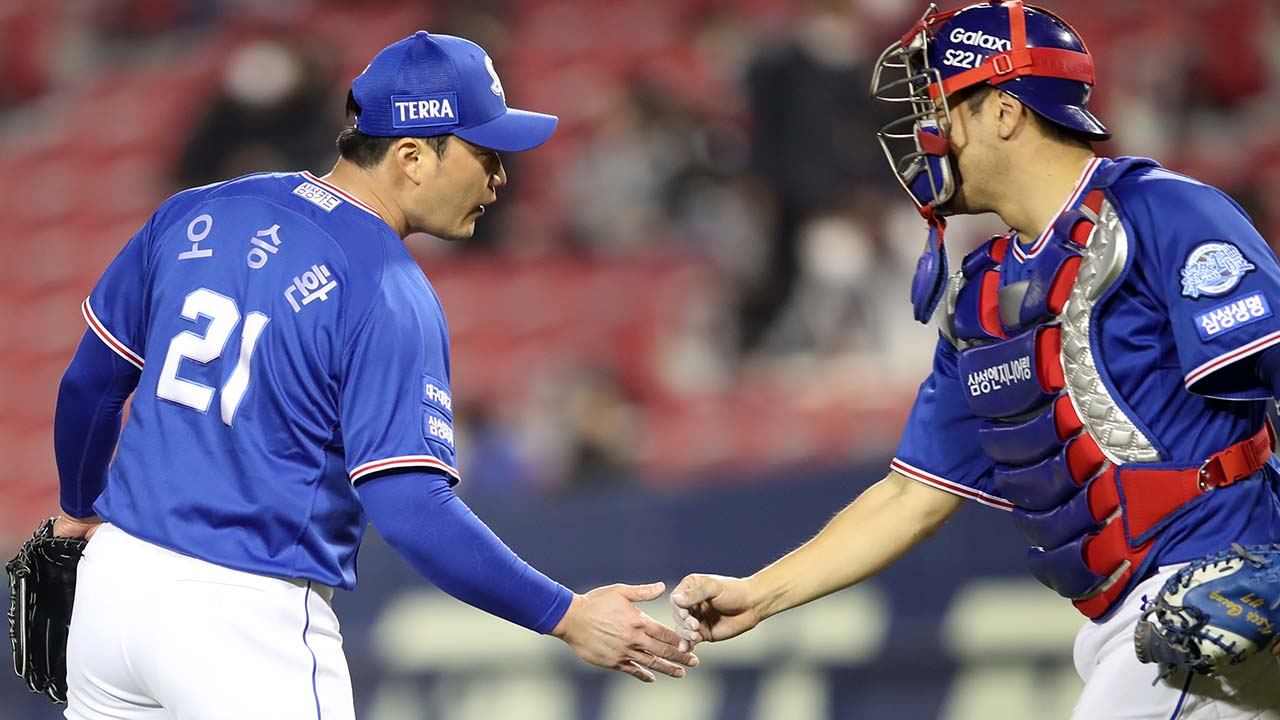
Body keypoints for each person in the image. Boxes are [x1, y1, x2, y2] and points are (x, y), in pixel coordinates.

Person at [51, 30, 697, 719]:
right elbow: (411, 507)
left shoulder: (197, 209)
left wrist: (78, 509)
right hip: (244, 620)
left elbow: (90, 386)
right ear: (412, 156)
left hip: (113, 591)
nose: (500, 178)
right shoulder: (385, 287)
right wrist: (566, 615)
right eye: (485, 153)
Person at [670, 3, 1280, 718]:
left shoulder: (1161, 212)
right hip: (1137, 625)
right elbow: (913, 496)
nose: (926, 135)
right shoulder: (983, 294)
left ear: (1005, 112)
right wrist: (759, 593)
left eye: (940, 109)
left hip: (1226, 591)